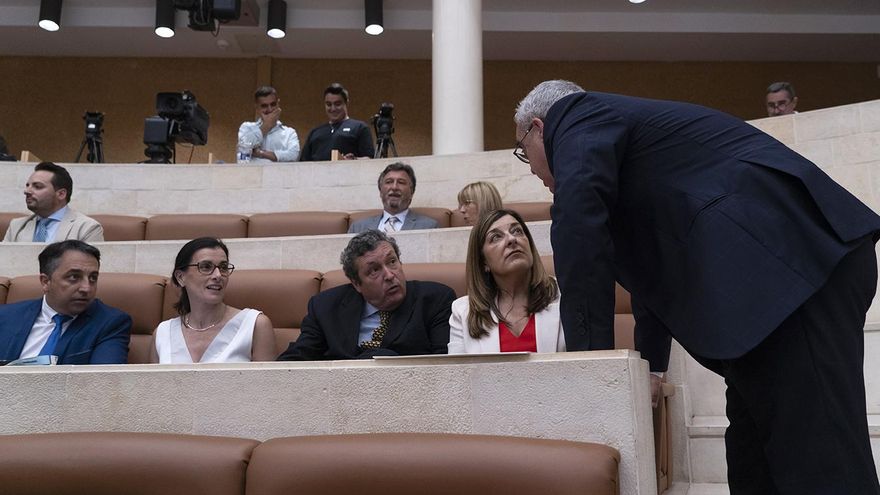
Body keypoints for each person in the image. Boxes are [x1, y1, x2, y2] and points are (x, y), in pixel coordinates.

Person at [514, 79, 880, 494]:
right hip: (773, 289)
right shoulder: (624, 152)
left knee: (820, 461)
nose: (532, 170)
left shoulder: (577, 115)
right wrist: (651, 366)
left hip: (791, 269)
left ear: (540, 128)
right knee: (753, 461)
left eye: (525, 153)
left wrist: (591, 368)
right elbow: (652, 273)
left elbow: (579, 231)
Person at [277, 230, 455, 360]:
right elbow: (295, 361)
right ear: (356, 283)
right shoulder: (325, 308)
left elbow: (444, 366)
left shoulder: (436, 300)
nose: (389, 275)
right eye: (374, 270)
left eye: (392, 262)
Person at [448, 209, 563, 354]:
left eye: (517, 231)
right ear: (483, 262)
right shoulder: (463, 312)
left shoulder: (565, 295)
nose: (511, 239)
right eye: (496, 237)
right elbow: (458, 374)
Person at [0, 240, 131, 364]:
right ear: (45, 282)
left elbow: (103, 382)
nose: (86, 288)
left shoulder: (110, 323)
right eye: (74, 277)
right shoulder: (6, 316)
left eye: (93, 278)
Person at [149, 237, 276, 363]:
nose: (218, 275)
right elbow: (151, 383)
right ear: (181, 277)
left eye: (223, 267)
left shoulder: (255, 325)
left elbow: (267, 383)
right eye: (205, 267)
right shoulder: (162, 333)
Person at [3, 162, 103, 243]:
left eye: (37, 186)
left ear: (61, 194)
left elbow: (88, 266)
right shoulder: (16, 226)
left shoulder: (87, 228)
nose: (27, 191)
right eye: (28, 185)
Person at [348, 162, 439, 233]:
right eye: (389, 182)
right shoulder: (358, 228)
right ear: (380, 191)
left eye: (401, 182)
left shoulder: (429, 227)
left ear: (411, 192)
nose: (394, 187)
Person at [300, 83, 374, 161]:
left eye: (337, 104)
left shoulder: (360, 127)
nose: (333, 109)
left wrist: (353, 160)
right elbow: (303, 163)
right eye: (329, 104)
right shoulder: (315, 132)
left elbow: (369, 159)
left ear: (346, 103)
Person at [237, 85, 300, 163]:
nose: (269, 109)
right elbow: (244, 148)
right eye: (264, 106)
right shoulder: (246, 128)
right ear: (257, 108)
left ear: (278, 104)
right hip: (253, 174)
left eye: (273, 104)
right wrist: (266, 125)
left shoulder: (289, 133)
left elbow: (293, 156)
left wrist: (260, 153)